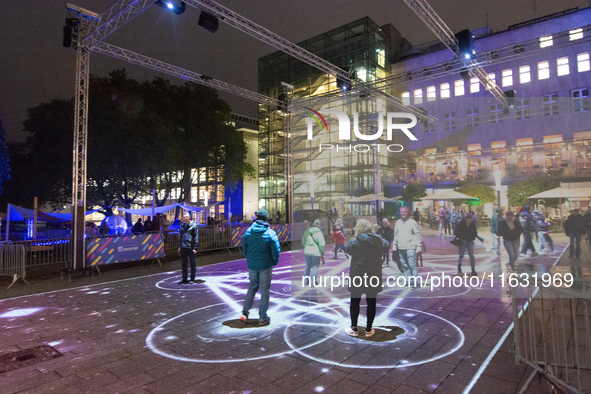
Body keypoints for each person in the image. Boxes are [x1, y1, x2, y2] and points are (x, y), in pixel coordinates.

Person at [343, 219, 389, 338]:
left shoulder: (355, 242)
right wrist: (377, 236)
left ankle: (354, 328)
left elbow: (347, 249)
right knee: (371, 302)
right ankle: (369, 329)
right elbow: (387, 245)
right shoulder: (378, 240)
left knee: (355, 301)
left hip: (357, 274)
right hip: (373, 275)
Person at [241, 209, 281, 326]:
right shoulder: (270, 233)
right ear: (266, 219)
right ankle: (262, 318)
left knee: (252, 287)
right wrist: (274, 262)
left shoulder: (248, 232)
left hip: (252, 265)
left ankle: (245, 312)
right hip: (265, 265)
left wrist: (248, 258)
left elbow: (244, 249)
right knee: (264, 291)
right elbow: (276, 251)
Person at [392, 206, 422, 290]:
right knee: (405, 265)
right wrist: (394, 245)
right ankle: (410, 280)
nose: (402, 213)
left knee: (412, 265)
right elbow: (396, 235)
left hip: (410, 247)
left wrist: (418, 246)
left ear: (408, 212)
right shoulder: (398, 222)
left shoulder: (412, 222)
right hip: (401, 247)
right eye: (401, 212)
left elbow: (417, 235)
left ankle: (416, 282)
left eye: (404, 212)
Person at [302, 219, 326, 286]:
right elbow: (322, 244)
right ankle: (313, 283)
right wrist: (322, 250)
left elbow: (303, 242)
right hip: (316, 252)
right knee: (315, 267)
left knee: (307, 266)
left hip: (307, 252)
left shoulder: (306, 231)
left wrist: (307, 247)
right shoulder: (319, 232)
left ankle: (306, 281)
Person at [178, 212, 199, 285]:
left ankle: (192, 278)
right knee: (184, 264)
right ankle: (184, 278)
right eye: (184, 217)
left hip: (191, 247)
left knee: (192, 263)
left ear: (189, 217)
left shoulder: (194, 225)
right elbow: (180, 236)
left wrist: (195, 248)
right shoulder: (182, 225)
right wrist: (180, 246)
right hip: (183, 247)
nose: (185, 218)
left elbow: (196, 236)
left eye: (186, 216)